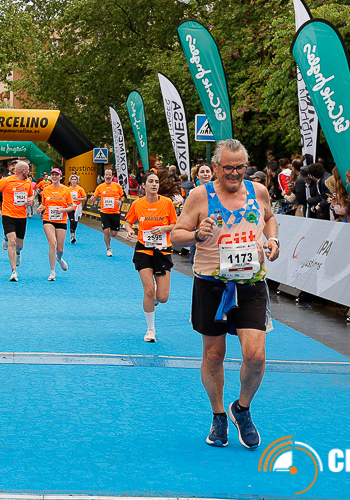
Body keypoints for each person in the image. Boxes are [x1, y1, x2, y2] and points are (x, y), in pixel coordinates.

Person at [171, 138, 280, 450]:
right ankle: (218, 415)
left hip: (250, 283)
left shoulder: (258, 191)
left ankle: (242, 409)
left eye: (240, 167)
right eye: (228, 168)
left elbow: (269, 217)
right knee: (214, 354)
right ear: (215, 166)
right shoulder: (199, 196)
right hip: (212, 285)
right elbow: (177, 235)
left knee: (256, 356)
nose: (234, 173)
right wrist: (196, 234)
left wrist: (272, 240)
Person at [122, 171, 178, 342]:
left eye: (156, 182)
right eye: (151, 182)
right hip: (143, 250)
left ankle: (155, 294)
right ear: (143, 186)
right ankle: (150, 330)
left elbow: (175, 224)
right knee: (148, 290)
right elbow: (128, 222)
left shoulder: (167, 203)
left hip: (162, 251)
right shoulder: (137, 204)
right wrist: (130, 230)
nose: (154, 184)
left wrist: (164, 228)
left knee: (162, 297)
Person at [0, 160, 37, 282]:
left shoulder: (28, 182)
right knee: (12, 241)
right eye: (28, 170)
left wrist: (31, 200)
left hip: (21, 216)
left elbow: (31, 195)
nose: (29, 172)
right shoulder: (6, 181)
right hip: (8, 215)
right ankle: (14, 271)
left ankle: (18, 252)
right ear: (23, 171)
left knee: (19, 245)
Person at [36, 169, 73, 281]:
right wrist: (40, 208)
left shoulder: (66, 190)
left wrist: (62, 210)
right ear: (50, 177)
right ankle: (52, 272)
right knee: (52, 244)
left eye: (57, 175)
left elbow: (71, 207)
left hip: (61, 220)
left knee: (60, 249)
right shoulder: (46, 189)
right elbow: (43, 204)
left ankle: (59, 258)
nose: (54, 176)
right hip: (48, 219)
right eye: (52, 175)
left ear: (60, 177)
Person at [89, 167, 126, 258]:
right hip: (104, 212)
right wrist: (92, 199)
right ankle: (108, 249)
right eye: (106, 175)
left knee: (114, 234)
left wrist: (120, 201)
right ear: (104, 176)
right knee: (106, 231)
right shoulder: (100, 187)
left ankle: (111, 238)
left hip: (115, 212)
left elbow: (123, 196)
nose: (108, 176)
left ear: (112, 176)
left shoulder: (117, 186)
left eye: (110, 175)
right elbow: (94, 197)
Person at [66, 173, 86, 244]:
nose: (74, 181)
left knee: (75, 221)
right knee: (72, 220)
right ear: (70, 181)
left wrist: (78, 198)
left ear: (77, 181)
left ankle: (73, 232)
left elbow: (85, 198)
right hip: (70, 207)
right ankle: (72, 235)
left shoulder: (80, 189)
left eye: (75, 179)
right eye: (72, 179)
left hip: (77, 207)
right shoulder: (68, 189)